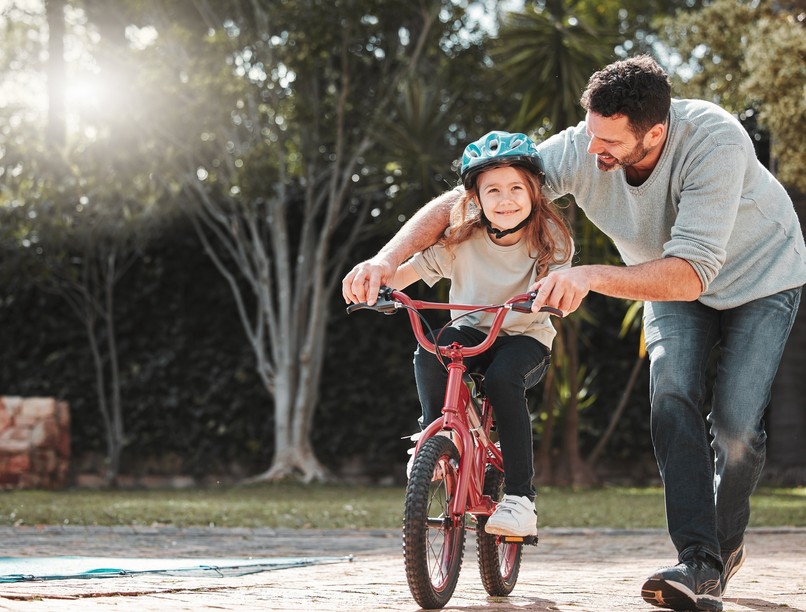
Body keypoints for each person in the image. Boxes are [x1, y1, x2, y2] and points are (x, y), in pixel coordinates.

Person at [342, 55, 806, 611]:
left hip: (760, 278)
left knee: (735, 429)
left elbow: (691, 274)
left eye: (608, 141)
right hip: (669, 279)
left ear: (655, 134)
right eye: (590, 133)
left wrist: (587, 275)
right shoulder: (584, 145)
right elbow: (467, 200)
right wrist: (386, 260)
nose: (591, 150)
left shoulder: (715, 143)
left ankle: (723, 546)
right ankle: (699, 560)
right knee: (672, 396)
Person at [380, 130, 573, 537]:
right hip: (470, 330)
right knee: (432, 347)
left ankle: (520, 499)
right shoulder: (461, 237)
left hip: (525, 337)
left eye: (516, 188)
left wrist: (551, 296)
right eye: (493, 190)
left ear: (534, 191)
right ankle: (435, 433)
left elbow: (561, 286)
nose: (505, 200)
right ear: (476, 199)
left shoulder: (551, 238)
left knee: (503, 379)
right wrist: (378, 283)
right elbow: (410, 272)